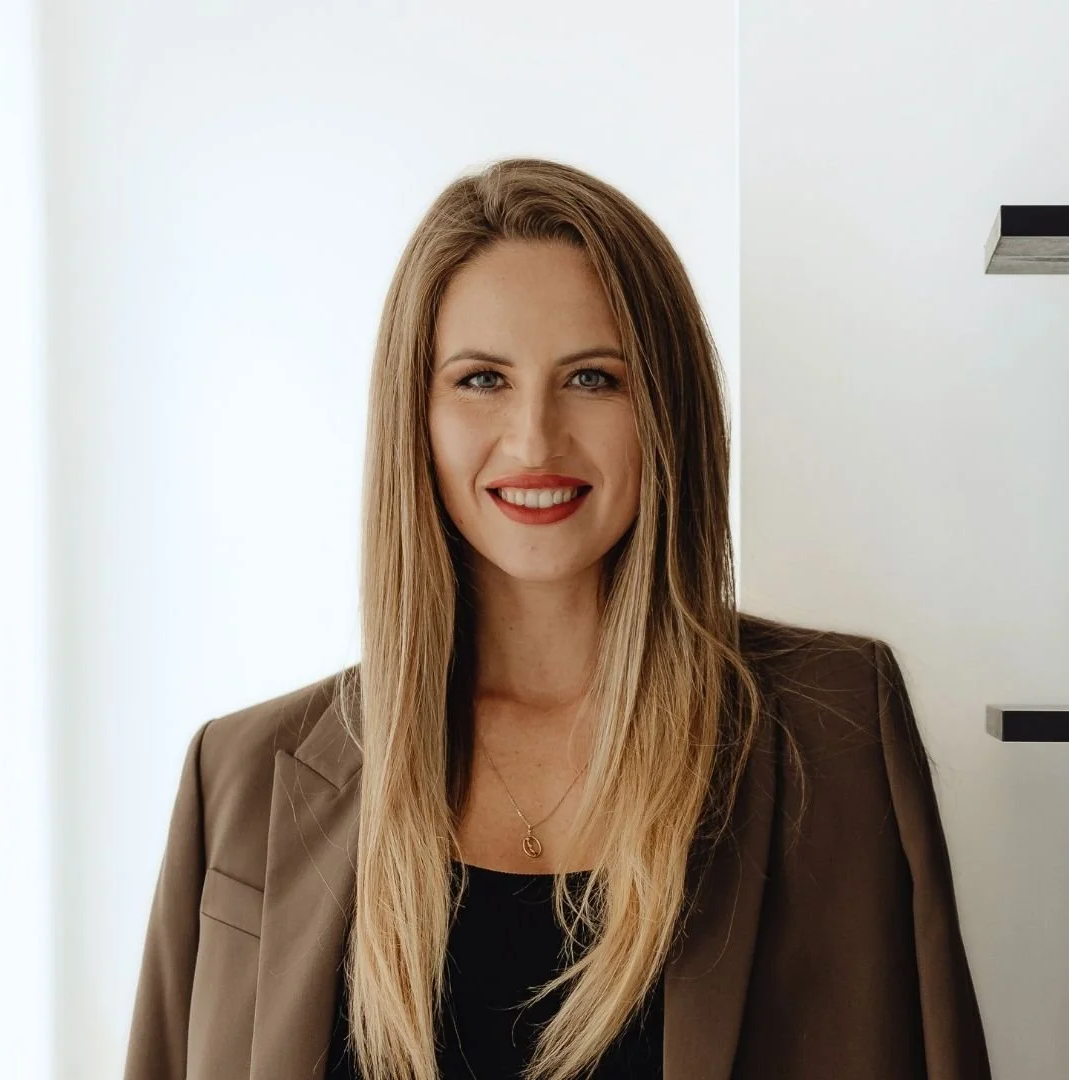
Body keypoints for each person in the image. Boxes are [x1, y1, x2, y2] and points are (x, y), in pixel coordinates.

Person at [123, 158, 992, 1080]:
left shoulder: (833, 730)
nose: (534, 439)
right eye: (481, 379)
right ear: (414, 415)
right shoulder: (246, 777)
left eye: (591, 378)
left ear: (666, 406)